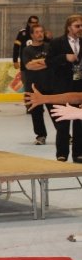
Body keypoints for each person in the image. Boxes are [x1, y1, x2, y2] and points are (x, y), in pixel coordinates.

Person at [45, 15, 82, 162]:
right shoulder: (57, 43)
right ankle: (62, 153)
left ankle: (78, 153)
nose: (80, 28)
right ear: (68, 27)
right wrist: (64, 58)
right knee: (62, 123)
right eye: (77, 26)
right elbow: (48, 61)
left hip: (80, 88)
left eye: (81, 26)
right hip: (62, 88)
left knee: (80, 122)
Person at [22, 24, 53, 145]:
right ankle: (41, 136)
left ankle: (66, 135)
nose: (40, 34)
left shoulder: (50, 47)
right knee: (36, 114)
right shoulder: (27, 50)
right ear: (32, 35)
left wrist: (37, 62)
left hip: (50, 85)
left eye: (41, 31)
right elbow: (29, 66)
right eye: (37, 32)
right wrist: (46, 62)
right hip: (33, 87)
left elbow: (54, 63)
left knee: (56, 112)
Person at [12, 15, 39, 86]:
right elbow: (16, 47)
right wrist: (15, 60)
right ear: (29, 23)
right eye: (33, 23)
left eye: (36, 23)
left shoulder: (40, 33)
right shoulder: (22, 33)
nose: (35, 24)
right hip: (25, 64)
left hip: (38, 64)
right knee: (27, 85)